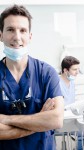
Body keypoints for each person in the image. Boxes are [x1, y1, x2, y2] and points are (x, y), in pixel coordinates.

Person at [0, 4, 64, 150]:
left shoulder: (46, 73)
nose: (17, 37)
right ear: (0, 35)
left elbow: (56, 119)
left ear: (30, 36)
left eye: (23, 30)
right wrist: (40, 121)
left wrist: (6, 119)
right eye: (10, 30)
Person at [60, 56, 84, 150]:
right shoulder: (57, 84)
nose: (77, 72)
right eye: (75, 69)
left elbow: (72, 102)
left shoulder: (71, 82)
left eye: (78, 69)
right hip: (62, 119)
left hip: (71, 116)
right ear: (65, 70)